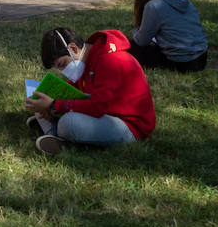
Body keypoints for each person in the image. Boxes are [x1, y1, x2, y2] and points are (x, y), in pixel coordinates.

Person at [24, 27, 155, 156]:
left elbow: (98, 107)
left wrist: (53, 105)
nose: (63, 71)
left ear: (73, 48)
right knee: (41, 99)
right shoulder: (86, 60)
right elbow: (72, 91)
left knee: (69, 123)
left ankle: (55, 132)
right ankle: (55, 132)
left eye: (62, 64)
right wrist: (50, 104)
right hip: (105, 115)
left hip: (130, 126)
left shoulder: (110, 60)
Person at [129, 0, 208, 72]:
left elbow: (142, 41)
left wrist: (136, 32)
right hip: (201, 58)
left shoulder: (153, 5)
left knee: (131, 46)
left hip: (180, 62)